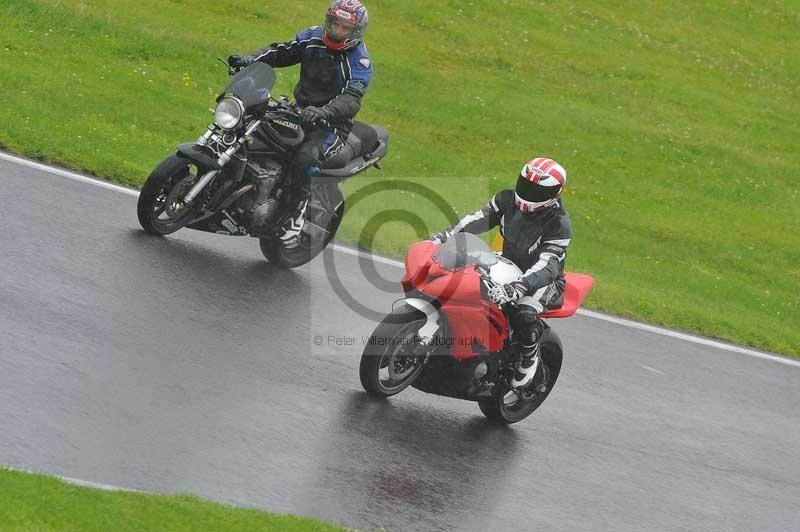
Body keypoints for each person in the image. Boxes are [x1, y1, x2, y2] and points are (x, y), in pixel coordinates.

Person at [227, 0, 372, 247]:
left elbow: (351, 99)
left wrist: (325, 111)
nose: (336, 30)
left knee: (304, 160)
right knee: (255, 127)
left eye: (344, 28)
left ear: (355, 32)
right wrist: (252, 60)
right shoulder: (314, 36)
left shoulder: (359, 61)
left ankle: (294, 220)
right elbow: (283, 51)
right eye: (334, 24)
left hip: (331, 124)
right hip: (300, 111)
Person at [429, 157, 572, 389]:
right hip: (506, 261)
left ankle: (530, 356)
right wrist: (442, 238)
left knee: (523, 311)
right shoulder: (506, 199)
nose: (529, 193)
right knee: (458, 274)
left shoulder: (559, 225)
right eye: (526, 185)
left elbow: (547, 265)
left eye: (537, 190)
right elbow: (476, 220)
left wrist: (519, 287)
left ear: (554, 194)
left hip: (543, 279)